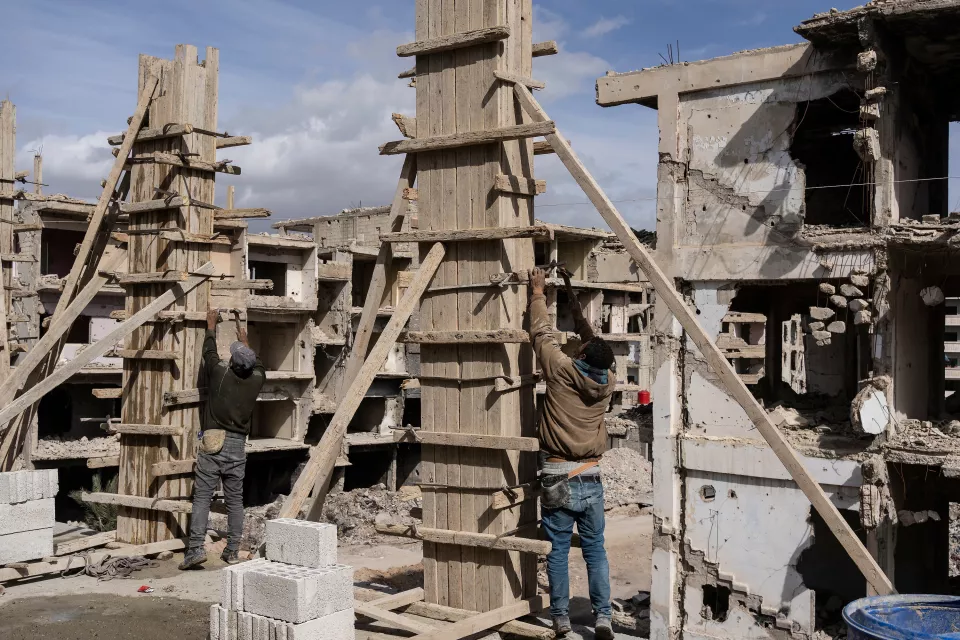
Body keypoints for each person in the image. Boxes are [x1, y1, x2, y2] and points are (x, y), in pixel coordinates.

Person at [529, 267, 616, 639]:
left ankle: (561, 618)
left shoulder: (561, 370)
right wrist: (567, 291)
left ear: (580, 353)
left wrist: (537, 293)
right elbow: (593, 342)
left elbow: (541, 333)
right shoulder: (608, 380)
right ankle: (603, 618)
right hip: (591, 476)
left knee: (558, 551)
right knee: (595, 551)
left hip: (559, 473)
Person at [180, 309, 266, 570]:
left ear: (232, 362)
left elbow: (209, 353)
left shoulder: (219, 374)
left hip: (214, 441)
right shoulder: (257, 380)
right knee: (235, 501)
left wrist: (210, 325)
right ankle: (231, 551)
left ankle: (195, 549)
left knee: (202, 498)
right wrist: (245, 340)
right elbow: (257, 362)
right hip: (238, 446)